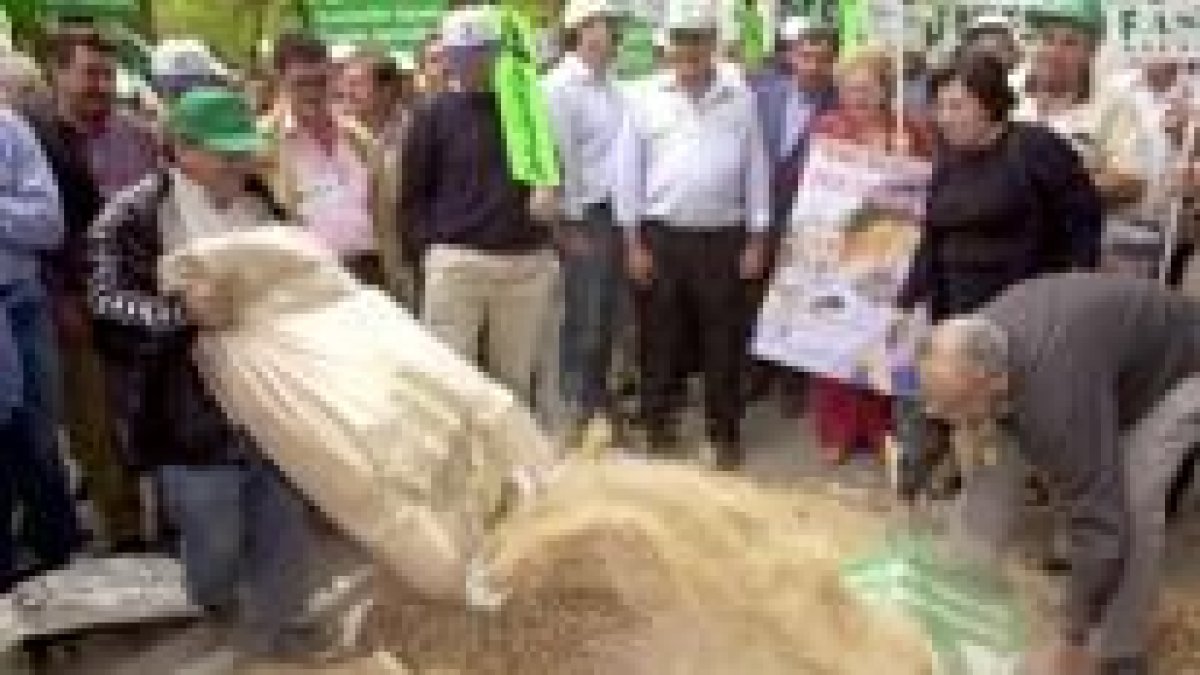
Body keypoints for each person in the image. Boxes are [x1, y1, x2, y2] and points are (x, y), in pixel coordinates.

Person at [87, 88, 359, 662]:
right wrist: (181, 315)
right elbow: (106, 303)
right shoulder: (132, 215)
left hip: (271, 399)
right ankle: (217, 607)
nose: (238, 163)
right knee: (215, 541)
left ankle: (283, 631)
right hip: (189, 410)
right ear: (181, 148)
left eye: (243, 151)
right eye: (224, 152)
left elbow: (302, 272)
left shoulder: (260, 202)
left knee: (282, 523)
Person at [918, 273, 1200, 675]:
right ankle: (965, 591)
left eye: (954, 407)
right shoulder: (968, 343)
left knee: (1132, 506)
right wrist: (957, 434)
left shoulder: (1054, 404)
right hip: (1096, 360)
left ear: (995, 382)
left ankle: (1118, 649)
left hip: (1178, 370)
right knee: (990, 464)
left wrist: (1073, 635)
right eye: (938, 405)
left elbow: (1100, 521)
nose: (944, 417)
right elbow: (979, 441)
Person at [614, 3, 771, 469]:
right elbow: (628, 174)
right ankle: (656, 425)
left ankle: (724, 434)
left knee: (723, 341)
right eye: (682, 39)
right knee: (658, 338)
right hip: (661, 238)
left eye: (699, 39)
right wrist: (632, 241)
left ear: (713, 44)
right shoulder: (643, 99)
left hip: (724, 239)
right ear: (668, 45)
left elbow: (756, 169)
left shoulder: (740, 99)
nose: (690, 49)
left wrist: (757, 238)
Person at [400, 6, 560, 406]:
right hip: (458, 263)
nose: (473, 62)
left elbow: (552, 171)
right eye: (464, 53)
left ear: (497, 53)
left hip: (523, 265)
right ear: (449, 57)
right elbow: (412, 196)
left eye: (483, 51)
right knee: (451, 381)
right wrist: (430, 254)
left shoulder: (528, 109)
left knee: (514, 384)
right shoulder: (430, 115)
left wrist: (550, 190)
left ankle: (513, 466)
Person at [900, 53, 1103, 321]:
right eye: (939, 106)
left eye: (956, 106)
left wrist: (1071, 297)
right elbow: (933, 239)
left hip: (1023, 310)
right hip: (955, 312)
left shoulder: (1036, 146)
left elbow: (1083, 219)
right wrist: (906, 301)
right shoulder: (950, 159)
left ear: (989, 104)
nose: (944, 118)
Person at [804, 50, 931, 465]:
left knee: (881, 339)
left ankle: (878, 428)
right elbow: (818, 182)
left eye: (867, 88)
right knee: (835, 335)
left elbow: (926, 181)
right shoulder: (828, 126)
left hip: (889, 250)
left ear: (885, 89)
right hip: (837, 247)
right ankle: (837, 430)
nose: (858, 97)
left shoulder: (909, 127)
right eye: (849, 88)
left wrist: (904, 155)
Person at [1014, 0, 1164, 276]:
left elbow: (1130, 182)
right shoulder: (1008, 95)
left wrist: (1050, 187)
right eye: (1047, 39)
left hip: (1081, 254)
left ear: (1091, 52)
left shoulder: (1115, 105)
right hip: (1009, 249)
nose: (1054, 52)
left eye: (1070, 43)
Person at [0, 106, 82, 593]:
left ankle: (56, 554)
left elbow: (48, 224)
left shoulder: (7, 127)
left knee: (40, 433)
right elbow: (27, 219)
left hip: (21, 296)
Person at [543, 0, 628, 453]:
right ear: (582, 31)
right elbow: (561, 159)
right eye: (605, 26)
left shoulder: (612, 85)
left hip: (615, 214)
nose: (613, 35)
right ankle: (576, 409)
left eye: (615, 28)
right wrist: (566, 223)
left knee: (606, 315)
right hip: (584, 215)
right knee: (582, 318)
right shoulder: (560, 86)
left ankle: (598, 402)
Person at [263, 33, 401, 297]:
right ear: (279, 81)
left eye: (321, 81)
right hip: (305, 281)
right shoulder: (264, 144)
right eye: (301, 83)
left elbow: (386, 217)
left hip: (372, 275)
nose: (313, 93)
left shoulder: (359, 138)